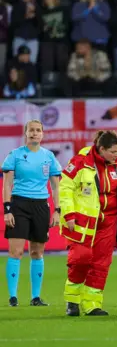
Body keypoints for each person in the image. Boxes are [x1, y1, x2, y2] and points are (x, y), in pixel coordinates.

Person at [61, 131, 117, 317]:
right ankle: (72, 301)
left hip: (109, 220)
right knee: (80, 259)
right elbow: (65, 187)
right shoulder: (81, 162)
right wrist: (69, 214)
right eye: (113, 151)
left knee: (102, 263)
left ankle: (92, 304)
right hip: (83, 220)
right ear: (102, 149)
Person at [2, 120, 61, 307]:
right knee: (16, 251)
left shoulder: (49, 156)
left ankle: (36, 297)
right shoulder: (15, 155)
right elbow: (7, 185)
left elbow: (55, 187)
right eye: (31, 130)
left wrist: (57, 210)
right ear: (25, 134)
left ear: (43, 134)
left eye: (38, 130)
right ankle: (13, 297)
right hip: (19, 204)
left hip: (41, 207)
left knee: (37, 252)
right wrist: (7, 209)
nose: (35, 133)